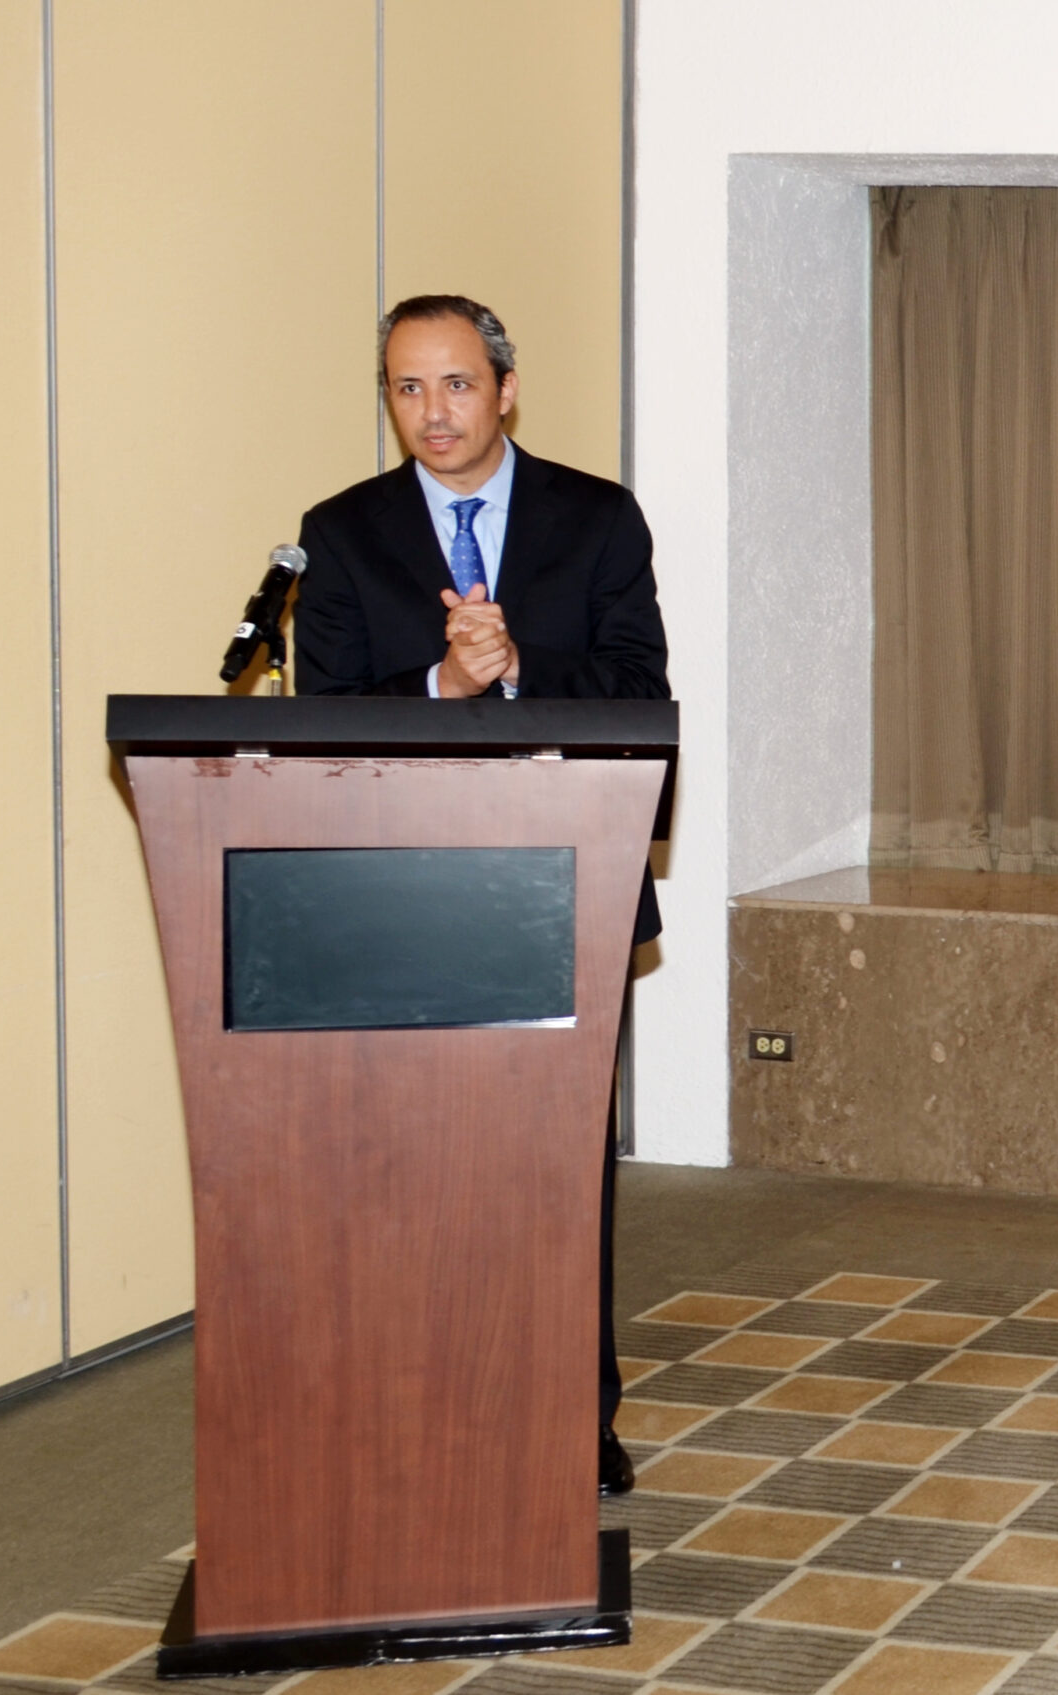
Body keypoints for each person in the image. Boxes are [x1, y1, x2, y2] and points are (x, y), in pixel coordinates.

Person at [294, 294, 668, 1496]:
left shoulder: (595, 518)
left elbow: (639, 694)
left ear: (505, 389)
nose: (434, 412)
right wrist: (443, 688)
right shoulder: (340, 533)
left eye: (456, 383)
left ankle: (573, 1418)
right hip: (401, 900)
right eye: (407, 388)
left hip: (565, 881)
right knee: (412, 1177)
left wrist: (516, 672)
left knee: (558, 1174)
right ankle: (427, 1406)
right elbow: (321, 724)